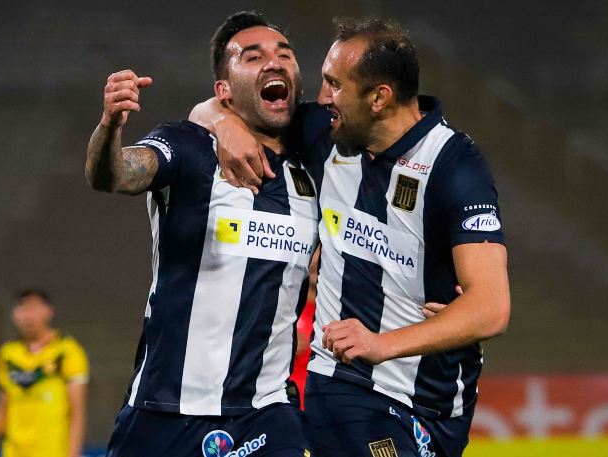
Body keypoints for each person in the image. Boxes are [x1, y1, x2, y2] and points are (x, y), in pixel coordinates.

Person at [191, 17, 511, 457]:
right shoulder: (326, 133)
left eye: (335, 85)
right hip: (348, 385)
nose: (323, 98)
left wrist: (385, 343)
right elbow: (216, 106)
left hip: (442, 406)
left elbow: (491, 308)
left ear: (379, 98)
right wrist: (223, 124)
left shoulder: (454, 166)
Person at [84, 11, 318, 457]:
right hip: (164, 411)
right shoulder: (188, 145)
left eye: (284, 54)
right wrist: (110, 125)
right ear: (223, 91)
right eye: (253, 56)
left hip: (265, 412)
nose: (273, 62)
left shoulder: (316, 166)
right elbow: (113, 174)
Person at [0, 289, 88, 457]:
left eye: (33, 308)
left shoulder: (67, 351)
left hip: (53, 452)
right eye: (22, 308)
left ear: (48, 311)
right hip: (14, 452)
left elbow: (77, 412)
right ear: (14, 315)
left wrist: (73, 453)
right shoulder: (8, 354)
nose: (28, 316)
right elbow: (3, 407)